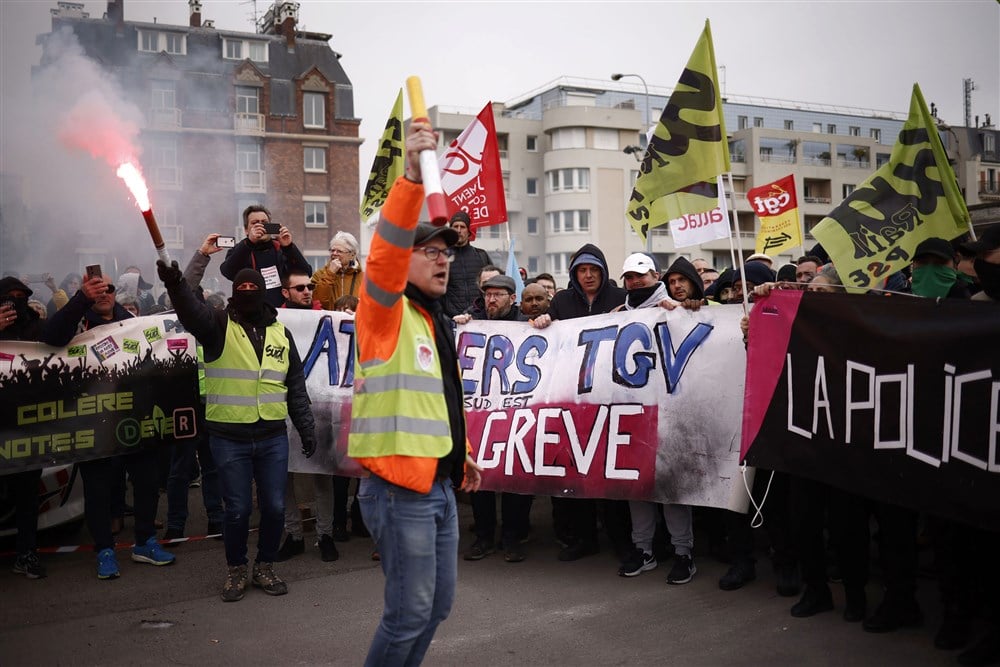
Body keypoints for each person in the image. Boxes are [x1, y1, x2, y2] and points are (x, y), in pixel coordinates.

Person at [349, 120, 482, 666]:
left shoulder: (433, 320)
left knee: (436, 609)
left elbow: (438, 400)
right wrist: (408, 180)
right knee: (408, 614)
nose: (443, 257)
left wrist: (462, 455)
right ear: (405, 258)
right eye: (428, 250)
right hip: (400, 491)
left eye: (446, 251)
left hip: (439, 486)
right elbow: (381, 255)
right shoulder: (384, 311)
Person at [157, 261, 316, 602]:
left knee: (274, 508)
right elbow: (189, 312)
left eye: (252, 290)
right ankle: (236, 569)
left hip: (272, 437)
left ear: (263, 294)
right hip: (229, 438)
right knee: (238, 510)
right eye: (241, 290)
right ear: (233, 294)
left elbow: (296, 386)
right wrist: (176, 286)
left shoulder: (281, 333)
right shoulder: (217, 325)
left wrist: (306, 428)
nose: (247, 295)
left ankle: (265, 566)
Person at [42, 274, 175, 579]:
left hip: (133, 417)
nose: (104, 293)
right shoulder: (77, 320)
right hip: (93, 419)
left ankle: (145, 542)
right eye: (97, 288)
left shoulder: (131, 321)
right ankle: (104, 550)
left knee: (146, 482)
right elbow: (51, 335)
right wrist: (81, 299)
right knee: (98, 490)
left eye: (109, 288)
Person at [531, 243, 627, 561]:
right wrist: (544, 323)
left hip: (612, 395)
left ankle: (621, 540)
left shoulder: (619, 298)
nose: (588, 276)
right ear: (574, 274)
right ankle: (585, 538)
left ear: (603, 272)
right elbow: (549, 339)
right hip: (573, 398)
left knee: (611, 470)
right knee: (577, 469)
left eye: (594, 270)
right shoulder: (561, 301)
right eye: (582, 271)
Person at [614, 254, 698, 585]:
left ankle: (683, 553)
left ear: (655, 275)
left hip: (670, 409)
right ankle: (644, 549)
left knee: (671, 485)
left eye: (640, 276)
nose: (634, 282)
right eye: (629, 278)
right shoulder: (621, 314)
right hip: (633, 410)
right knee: (638, 485)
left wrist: (685, 311)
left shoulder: (676, 308)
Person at [459, 274, 533, 563]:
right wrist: (460, 324)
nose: (491, 299)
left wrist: (542, 325)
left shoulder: (523, 322)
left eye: (498, 295)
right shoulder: (472, 320)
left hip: (516, 410)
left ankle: (513, 538)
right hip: (480, 411)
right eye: (488, 294)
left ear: (512, 298)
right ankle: (484, 537)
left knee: (516, 476)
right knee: (479, 477)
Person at [164, 234, 226, 543]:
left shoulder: (212, 322)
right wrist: (201, 255)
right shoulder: (172, 322)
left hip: (211, 404)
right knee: (180, 470)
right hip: (184, 406)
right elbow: (182, 288)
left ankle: (216, 520)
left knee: (212, 467)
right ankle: (175, 525)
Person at [276, 270, 339, 563]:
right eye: (300, 287)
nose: (307, 291)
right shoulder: (273, 321)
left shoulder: (327, 316)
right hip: (281, 407)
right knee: (283, 475)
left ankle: (325, 534)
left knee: (322, 473)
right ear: (285, 293)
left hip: (318, 407)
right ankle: (294, 534)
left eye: (310, 286)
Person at [0, 277, 47, 579]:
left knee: (27, 495)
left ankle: (26, 553)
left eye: (21, 297)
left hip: (27, 427)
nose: (16, 303)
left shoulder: (35, 327)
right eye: (9, 298)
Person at [220, 205, 311, 308]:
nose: (261, 226)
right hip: (252, 312)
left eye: (264, 223)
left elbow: (306, 273)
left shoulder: (281, 248)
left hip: (283, 311)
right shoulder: (241, 250)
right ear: (246, 230)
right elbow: (228, 271)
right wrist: (249, 243)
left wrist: (289, 247)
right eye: (255, 223)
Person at [442, 210, 491, 317]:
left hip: (478, 317)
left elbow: (491, 285)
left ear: (469, 231)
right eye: (455, 226)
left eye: (462, 227)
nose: (459, 230)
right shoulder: (442, 257)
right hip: (451, 319)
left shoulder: (481, 255)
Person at [312, 231, 364, 309]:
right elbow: (318, 302)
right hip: (329, 320)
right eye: (332, 250)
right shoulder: (319, 275)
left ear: (352, 254)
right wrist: (330, 274)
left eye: (339, 251)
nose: (334, 253)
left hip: (355, 320)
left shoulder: (364, 278)